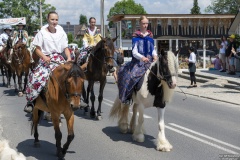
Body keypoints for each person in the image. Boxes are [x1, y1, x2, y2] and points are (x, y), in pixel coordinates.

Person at [24, 11, 72, 113]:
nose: (54, 22)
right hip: (46, 59)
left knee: (73, 75)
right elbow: (37, 49)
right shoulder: (42, 33)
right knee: (35, 77)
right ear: (48, 20)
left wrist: (69, 57)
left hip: (59, 58)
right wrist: (44, 57)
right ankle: (31, 101)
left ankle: (76, 99)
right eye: (52, 19)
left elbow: (65, 48)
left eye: (56, 20)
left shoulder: (61, 31)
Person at [117, 16, 157, 104]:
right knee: (131, 76)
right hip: (138, 62)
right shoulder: (136, 36)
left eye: (147, 23)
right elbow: (134, 52)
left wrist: (155, 55)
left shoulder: (150, 36)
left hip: (149, 60)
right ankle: (128, 97)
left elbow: (153, 49)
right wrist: (141, 57)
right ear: (140, 24)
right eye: (143, 23)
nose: (145, 25)